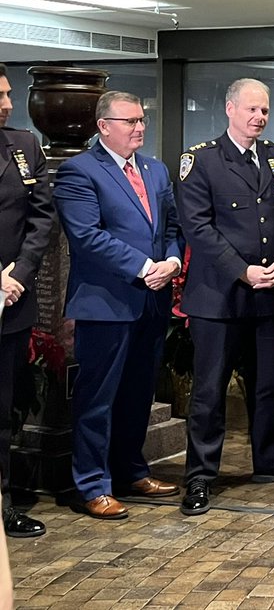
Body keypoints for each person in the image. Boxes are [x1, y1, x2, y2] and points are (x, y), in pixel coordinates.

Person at [175, 79, 274, 516]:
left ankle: (270, 461)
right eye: (252, 110)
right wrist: (243, 270)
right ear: (230, 108)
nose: (260, 117)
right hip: (219, 297)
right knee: (210, 390)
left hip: (268, 294)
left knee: (267, 385)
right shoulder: (199, 160)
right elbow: (197, 226)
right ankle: (200, 475)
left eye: (265, 111)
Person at [54, 91, 184, 519]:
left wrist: (171, 260)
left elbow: (170, 225)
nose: (139, 127)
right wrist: (144, 265)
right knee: (99, 398)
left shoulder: (155, 169)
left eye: (141, 119)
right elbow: (86, 237)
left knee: (138, 393)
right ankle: (92, 484)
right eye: (129, 121)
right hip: (105, 304)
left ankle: (131, 470)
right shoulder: (79, 171)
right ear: (103, 126)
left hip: (152, 299)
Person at [0, 66, 53, 537]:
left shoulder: (23, 145)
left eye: (8, 94)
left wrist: (16, 273)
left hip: (11, 303)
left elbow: (41, 218)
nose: (7, 104)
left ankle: (3, 505)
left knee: (5, 408)